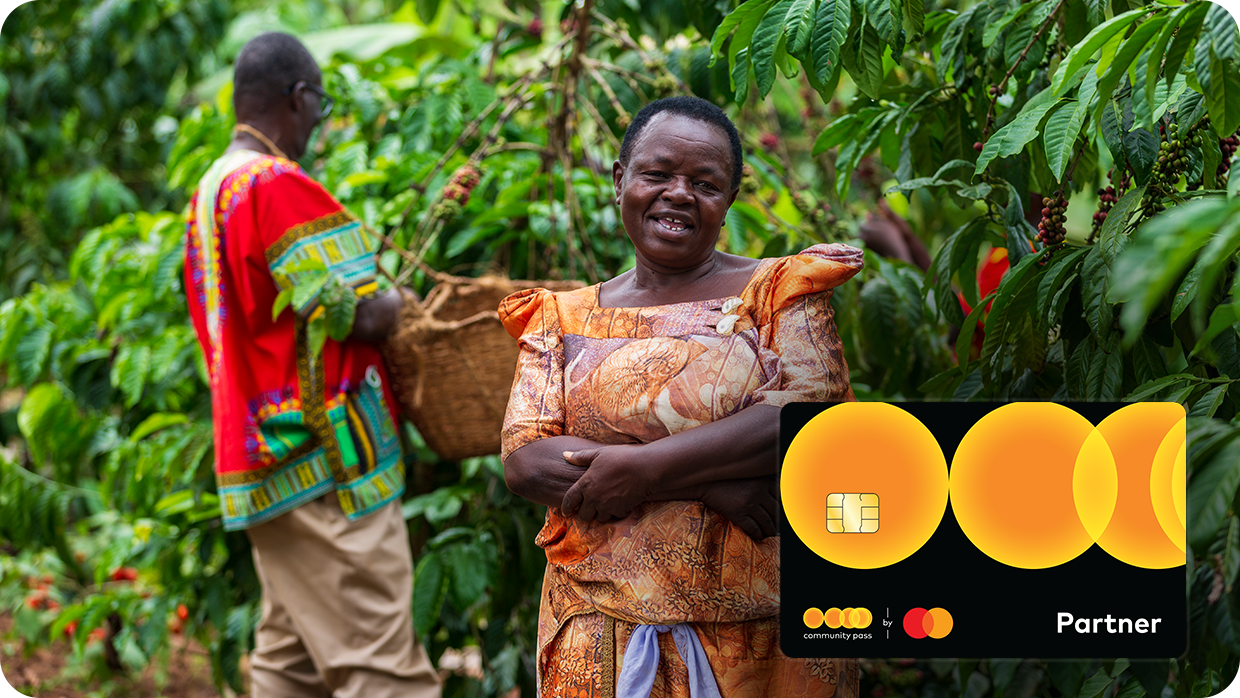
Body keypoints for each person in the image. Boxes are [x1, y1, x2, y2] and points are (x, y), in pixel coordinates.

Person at [499, 96, 862, 697]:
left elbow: (809, 417)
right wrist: (706, 482)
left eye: (705, 182)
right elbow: (526, 461)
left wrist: (638, 468)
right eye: (658, 173)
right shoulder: (557, 318)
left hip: (763, 640)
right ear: (620, 181)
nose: (678, 193)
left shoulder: (778, 294)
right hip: (599, 633)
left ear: (728, 201)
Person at [182, 32, 440, 698]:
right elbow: (361, 313)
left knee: (287, 664)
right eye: (318, 105)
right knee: (385, 673)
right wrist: (403, 298)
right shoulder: (274, 184)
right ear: (299, 98)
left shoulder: (212, 188)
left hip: (259, 459)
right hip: (326, 459)